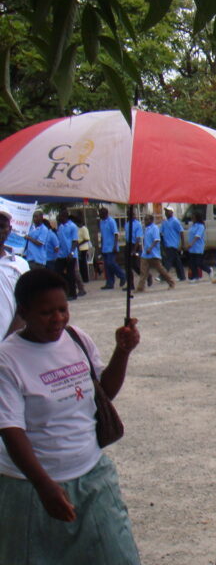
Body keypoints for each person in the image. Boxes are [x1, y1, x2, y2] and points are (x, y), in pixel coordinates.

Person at [0, 268, 141, 564]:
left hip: (91, 475)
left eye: (63, 309)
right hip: (29, 486)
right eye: (46, 312)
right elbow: (11, 429)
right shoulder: (7, 359)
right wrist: (43, 485)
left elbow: (103, 395)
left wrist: (122, 352)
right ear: (24, 311)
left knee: (117, 555)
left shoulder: (76, 339)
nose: (58, 319)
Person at [0, 207, 29, 337]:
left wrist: (7, 345)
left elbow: (26, 306)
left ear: (9, 230)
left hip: (11, 347)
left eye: (1, 226)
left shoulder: (20, 265)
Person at [136, 214, 175, 293]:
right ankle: (140, 287)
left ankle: (171, 282)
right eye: (144, 219)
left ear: (151, 220)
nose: (145, 221)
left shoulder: (155, 228)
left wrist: (150, 248)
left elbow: (156, 239)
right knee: (143, 271)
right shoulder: (146, 229)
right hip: (145, 254)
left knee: (160, 269)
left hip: (153, 253)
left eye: (146, 220)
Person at [55, 210, 82, 300]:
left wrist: (72, 252)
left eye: (60, 216)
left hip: (70, 254)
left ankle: (73, 294)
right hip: (61, 254)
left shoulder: (72, 226)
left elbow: (75, 241)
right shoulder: (60, 226)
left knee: (71, 275)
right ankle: (64, 292)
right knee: (58, 273)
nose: (59, 218)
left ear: (65, 216)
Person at [97, 208, 126, 290]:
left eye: (100, 213)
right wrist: (101, 246)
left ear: (105, 213)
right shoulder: (101, 222)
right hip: (105, 247)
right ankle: (109, 283)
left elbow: (116, 234)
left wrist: (115, 246)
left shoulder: (111, 221)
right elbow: (102, 236)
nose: (99, 215)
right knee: (107, 266)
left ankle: (122, 275)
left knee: (111, 263)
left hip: (111, 247)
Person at [160, 208, 186, 281]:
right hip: (166, 244)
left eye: (167, 211)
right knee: (177, 261)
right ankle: (182, 276)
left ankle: (163, 276)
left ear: (171, 212)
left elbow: (181, 231)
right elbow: (160, 232)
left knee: (168, 261)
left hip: (173, 244)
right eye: (165, 211)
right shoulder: (165, 222)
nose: (166, 213)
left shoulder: (175, 221)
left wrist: (183, 243)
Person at [186, 212, 212, 282]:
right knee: (192, 262)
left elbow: (197, 236)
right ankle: (195, 276)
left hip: (198, 246)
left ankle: (208, 269)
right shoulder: (193, 225)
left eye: (193, 217)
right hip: (192, 248)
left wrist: (191, 243)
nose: (192, 218)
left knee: (198, 262)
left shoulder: (201, 226)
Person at [73, 215, 91, 284]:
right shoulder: (77, 229)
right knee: (80, 264)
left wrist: (79, 244)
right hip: (78, 248)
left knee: (83, 264)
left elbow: (86, 239)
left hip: (83, 248)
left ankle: (85, 278)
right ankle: (82, 278)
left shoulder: (84, 228)